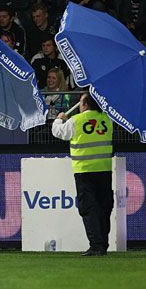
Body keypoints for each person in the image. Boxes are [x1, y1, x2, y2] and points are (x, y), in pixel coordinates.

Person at [52, 92, 113, 256]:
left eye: (80, 102)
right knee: (103, 208)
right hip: (104, 170)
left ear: (85, 105)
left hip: (84, 171)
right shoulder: (107, 120)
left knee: (89, 208)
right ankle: (103, 245)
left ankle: (96, 246)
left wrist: (60, 118)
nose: (79, 105)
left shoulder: (76, 121)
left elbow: (57, 132)